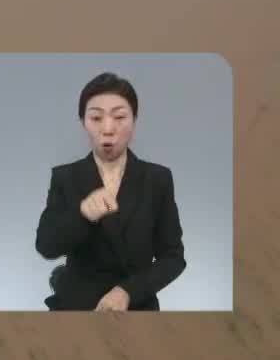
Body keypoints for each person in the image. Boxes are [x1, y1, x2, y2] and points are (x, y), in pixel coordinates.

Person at [35, 72, 186, 310]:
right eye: (96, 118)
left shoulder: (157, 179)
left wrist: (127, 292)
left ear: (134, 120)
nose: (108, 128)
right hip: (76, 308)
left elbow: (173, 258)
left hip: (137, 308)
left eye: (119, 117)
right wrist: (83, 215)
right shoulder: (65, 177)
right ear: (83, 122)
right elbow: (46, 246)